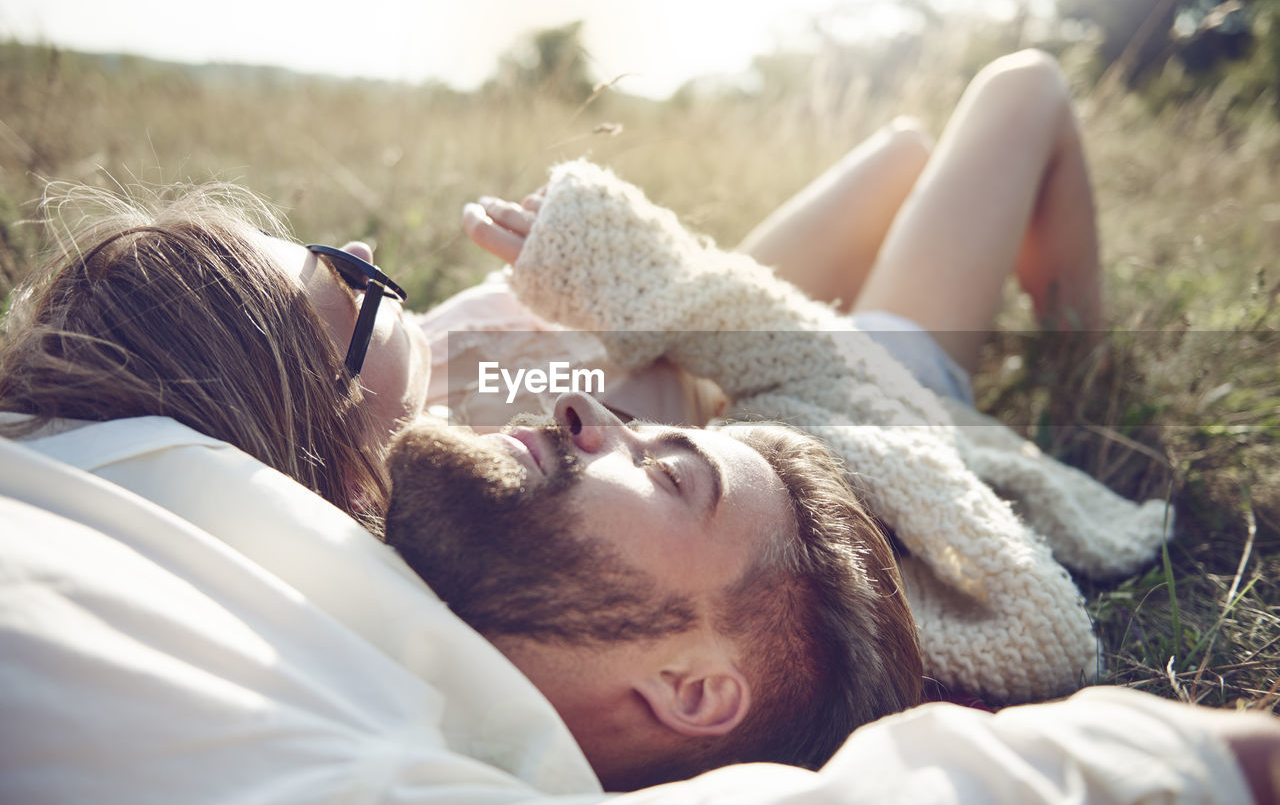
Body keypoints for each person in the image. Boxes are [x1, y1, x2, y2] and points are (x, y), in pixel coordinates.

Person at [1, 47, 1277, 802]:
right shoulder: (416, 524)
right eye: (347, 286)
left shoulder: (426, 461)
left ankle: (1077, 350)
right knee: (1011, 92)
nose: (372, 264)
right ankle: (1077, 355)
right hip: (823, 397)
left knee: (926, 137)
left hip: (788, 389)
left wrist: (583, 328)